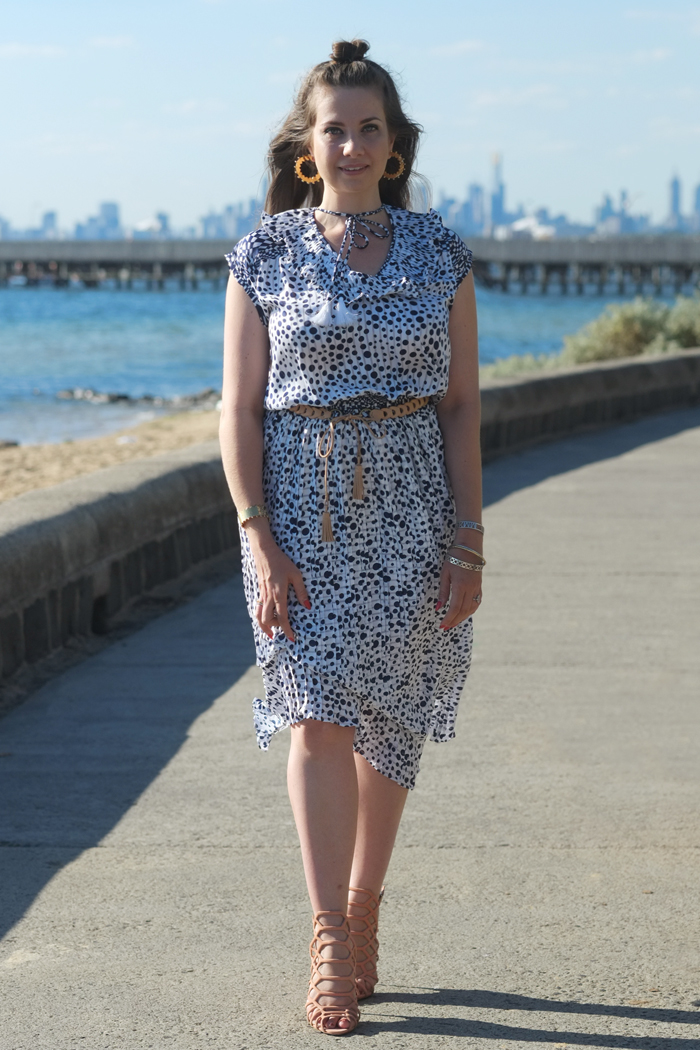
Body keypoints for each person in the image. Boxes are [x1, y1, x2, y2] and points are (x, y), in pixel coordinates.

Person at [219, 38, 483, 1036]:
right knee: (315, 713)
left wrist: (469, 539)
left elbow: (460, 406)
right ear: (307, 146)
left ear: (393, 145)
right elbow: (237, 409)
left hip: (416, 509)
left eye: (370, 128)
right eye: (336, 127)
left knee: (392, 723)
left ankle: (367, 901)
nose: (353, 144)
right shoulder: (265, 253)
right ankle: (329, 934)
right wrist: (257, 538)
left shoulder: (439, 252)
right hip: (304, 508)